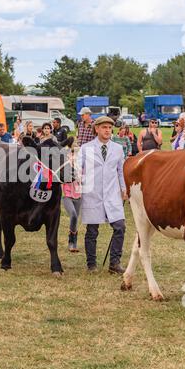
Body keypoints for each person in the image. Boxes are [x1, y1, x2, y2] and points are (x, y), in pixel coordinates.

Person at [78, 116, 127, 274]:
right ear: (97, 129)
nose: (107, 130)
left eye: (109, 127)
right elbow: (78, 169)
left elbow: (120, 171)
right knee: (92, 230)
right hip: (93, 194)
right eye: (104, 127)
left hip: (112, 194)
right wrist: (80, 183)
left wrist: (123, 188)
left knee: (120, 227)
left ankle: (115, 263)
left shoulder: (118, 149)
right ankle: (91, 264)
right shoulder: (86, 148)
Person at [62, 148, 81, 252]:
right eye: (71, 155)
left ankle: (74, 243)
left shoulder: (80, 168)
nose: (73, 157)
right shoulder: (65, 168)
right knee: (73, 214)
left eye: (75, 155)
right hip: (67, 195)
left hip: (78, 196)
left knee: (75, 219)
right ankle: (71, 241)